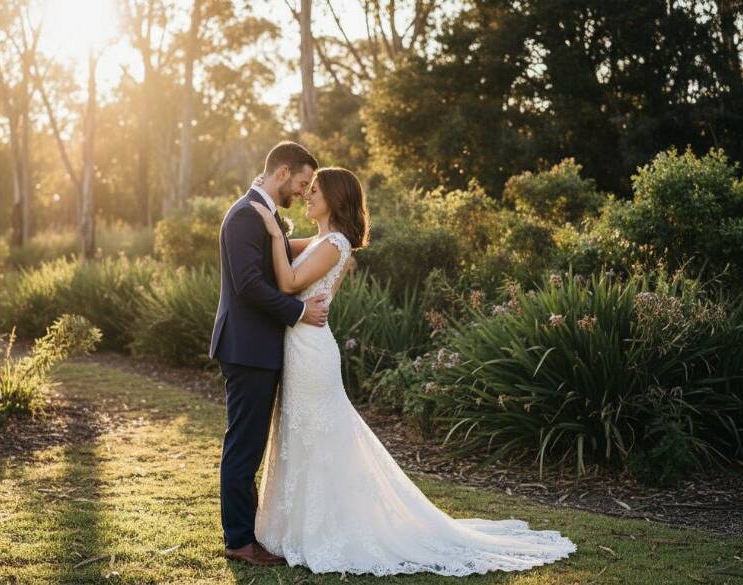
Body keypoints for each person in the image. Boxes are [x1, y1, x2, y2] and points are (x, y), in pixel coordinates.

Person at [246, 166, 578, 576]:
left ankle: (333, 527)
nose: (307, 195)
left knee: (319, 435)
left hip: (312, 352)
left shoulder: (335, 244)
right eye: (307, 189)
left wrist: (276, 235)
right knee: (299, 435)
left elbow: (288, 280)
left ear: (335, 197)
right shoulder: (317, 240)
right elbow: (269, 252)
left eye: (315, 191)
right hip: (297, 348)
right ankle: (296, 524)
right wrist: (263, 212)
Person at [209, 141, 330, 566]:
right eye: (300, 182)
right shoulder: (246, 215)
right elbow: (248, 285)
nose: (301, 192)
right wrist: (299, 311)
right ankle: (239, 540)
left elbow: (277, 259)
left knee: (251, 443)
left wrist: (328, 243)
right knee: (244, 445)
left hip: (258, 348)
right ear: (282, 173)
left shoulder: (265, 215)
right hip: (247, 349)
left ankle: (245, 534)